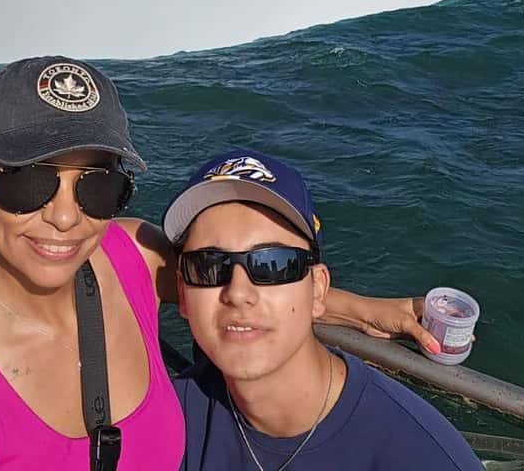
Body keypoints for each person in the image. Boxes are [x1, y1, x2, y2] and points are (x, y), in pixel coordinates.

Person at [0, 57, 441, 470]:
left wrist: (365, 312)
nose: (66, 217)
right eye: (30, 182)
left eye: (96, 187)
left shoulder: (128, 257)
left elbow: (232, 283)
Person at [165, 149, 485, 470]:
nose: (237, 293)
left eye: (273, 264)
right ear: (182, 291)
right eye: (207, 266)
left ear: (317, 288)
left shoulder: (422, 456)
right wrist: (361, 311)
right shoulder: (168, 422)